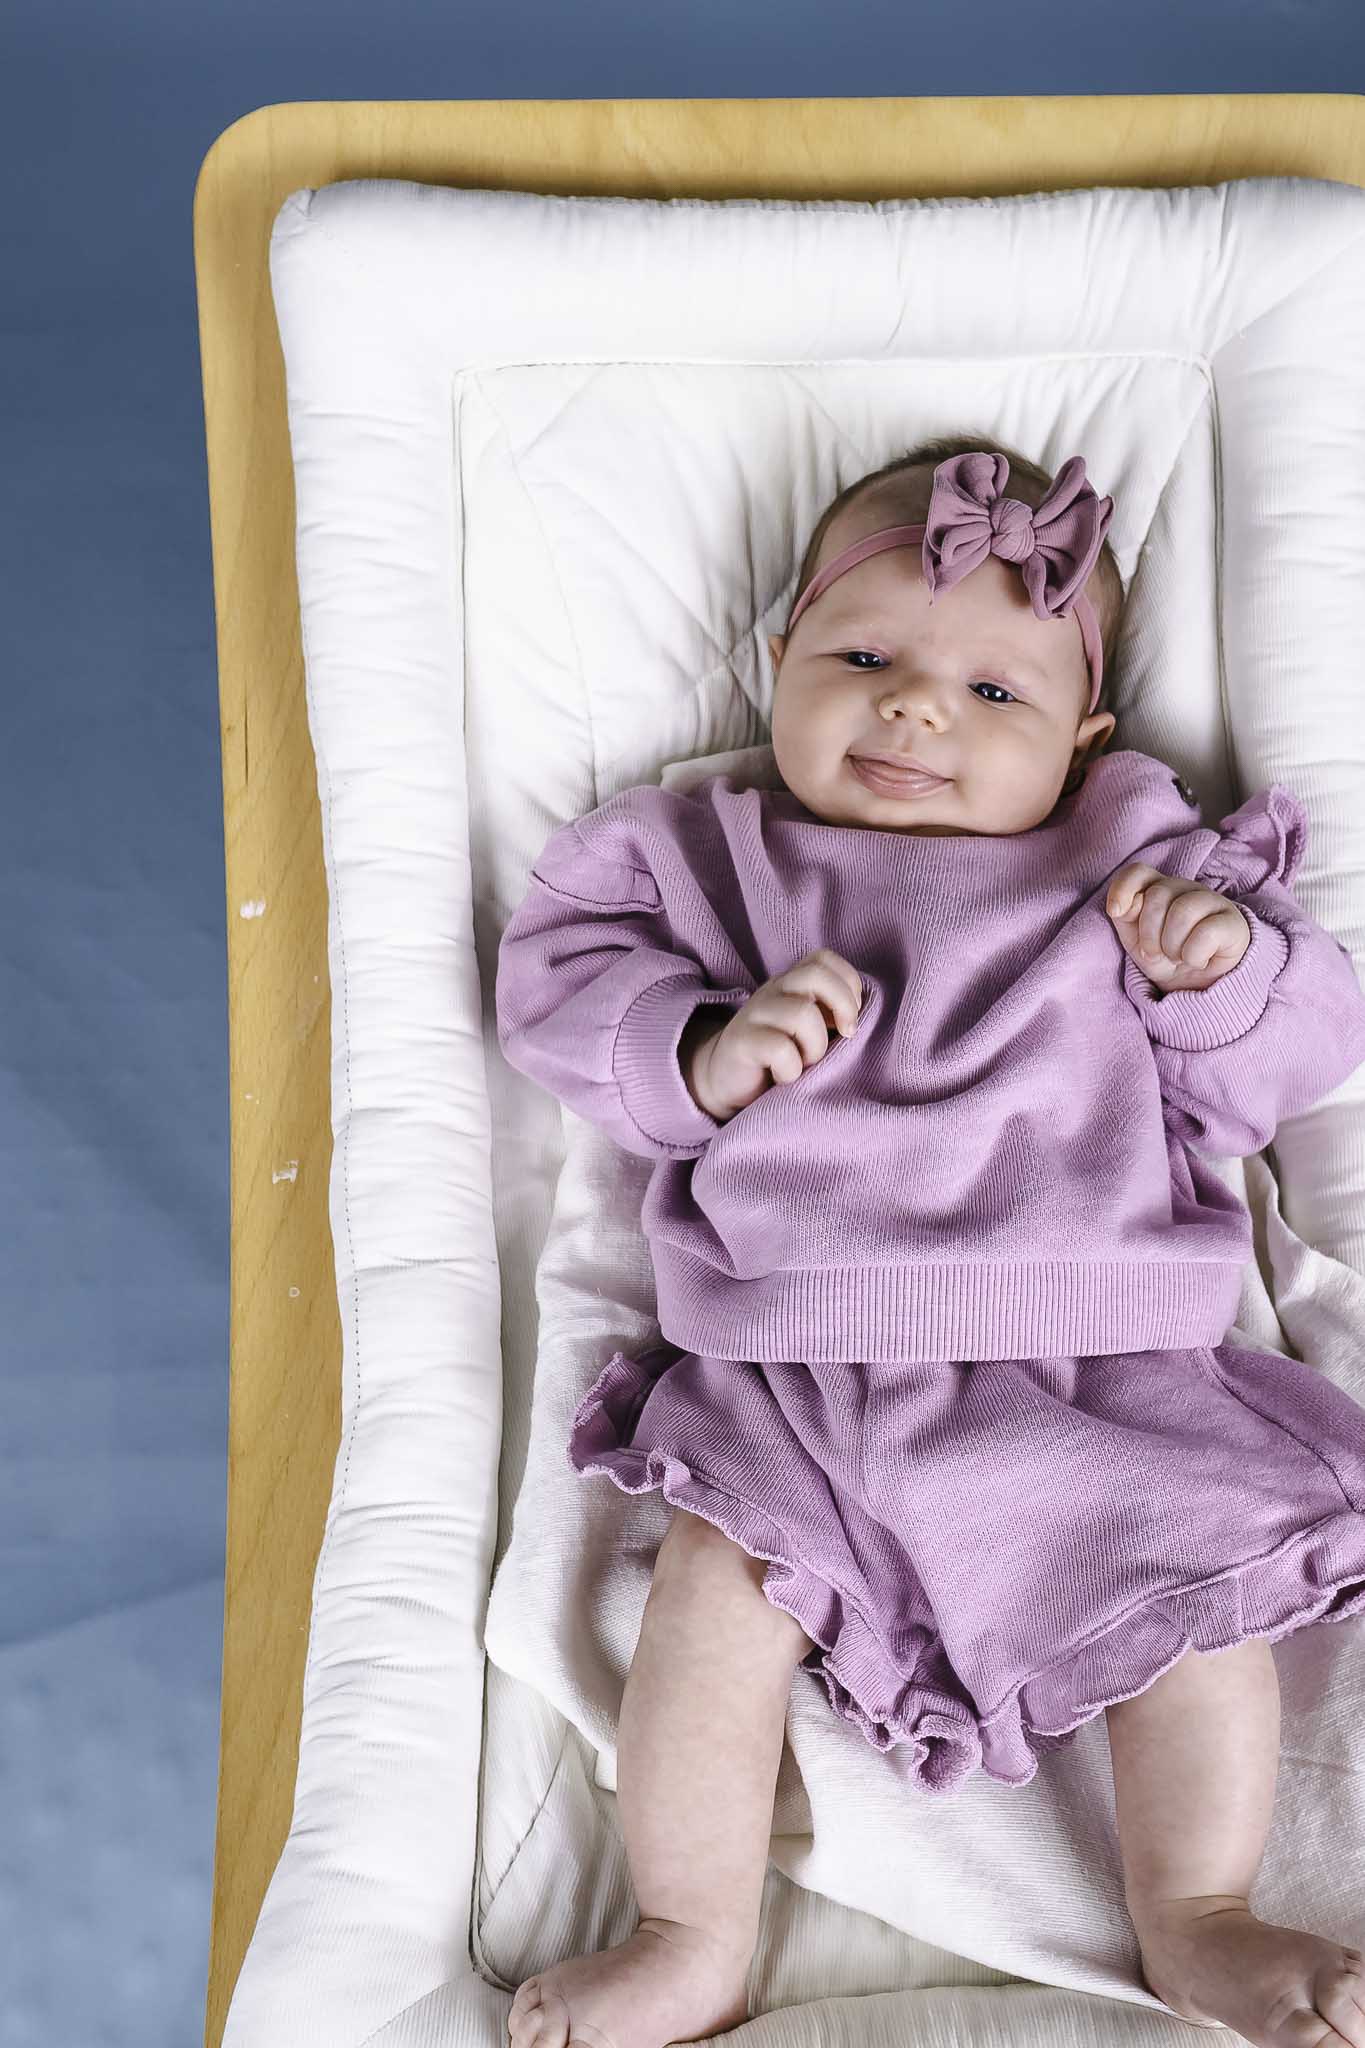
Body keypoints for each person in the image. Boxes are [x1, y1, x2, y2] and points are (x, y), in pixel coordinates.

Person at [494, 436, 1365, 2048]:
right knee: (714, 1588)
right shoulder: (702, 853)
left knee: (1199, 1598)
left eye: (991, 692)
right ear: (776, 663)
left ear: (1084, 737)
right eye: (863, 662)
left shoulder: (1130, 859)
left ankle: (1198, 1917)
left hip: (1100, 1359)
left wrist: (1220, 968)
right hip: (794, 1367)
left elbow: (1282, 1066)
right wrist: (700, 1052)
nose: (912, 711)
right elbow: (553, 986)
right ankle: (689, 1931)